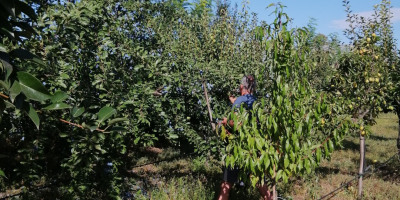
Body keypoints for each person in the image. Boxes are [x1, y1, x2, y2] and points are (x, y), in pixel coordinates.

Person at [217, 75, 272, 200]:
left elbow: (236, 123)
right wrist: (235, 100)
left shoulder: (240, 101)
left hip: (239, 148)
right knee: (260, 182)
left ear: (241, 86)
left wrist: (227, 121)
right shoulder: (255, 101)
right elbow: (248, 114)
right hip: (254, 147)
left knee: (226, 184)